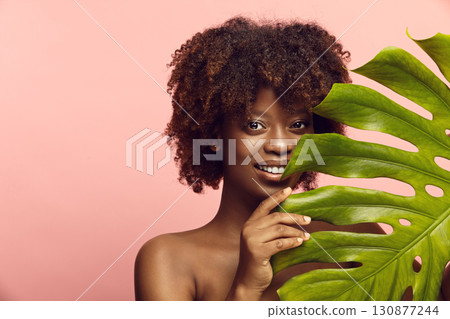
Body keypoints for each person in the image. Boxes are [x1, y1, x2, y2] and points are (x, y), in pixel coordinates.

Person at [134, 16, 449, 301]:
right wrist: (244, 288)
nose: (281, 144)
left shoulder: (353, 236)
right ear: (215, 137)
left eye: (298, 125)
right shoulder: (169, 259)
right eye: (255, 125)